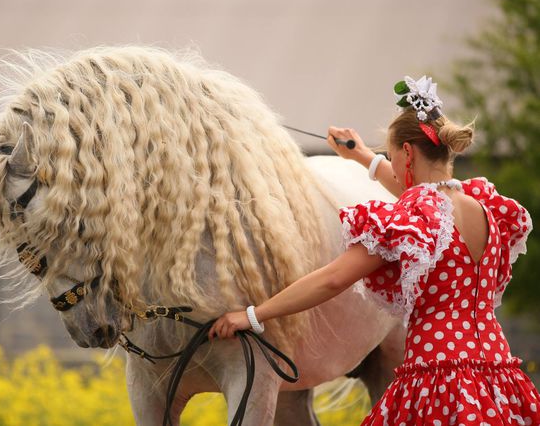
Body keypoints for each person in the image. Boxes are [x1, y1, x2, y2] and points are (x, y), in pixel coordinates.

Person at [208, 76, 540, 425]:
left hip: (437, 379)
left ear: (408, 154)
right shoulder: (486, 209)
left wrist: (253, 314)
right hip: (496, 374)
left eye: (393, 156)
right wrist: (363, 156)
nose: (392, 165)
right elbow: (422, 192)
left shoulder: (412, 217)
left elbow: (333, 279)